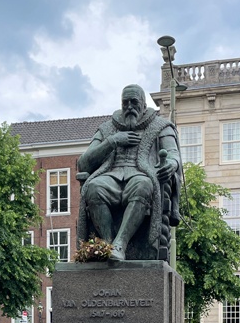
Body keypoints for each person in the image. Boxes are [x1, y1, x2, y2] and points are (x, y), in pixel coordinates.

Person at [76, 84, 181, 261]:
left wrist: (170, 164)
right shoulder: (107, 129)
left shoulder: (161, 126)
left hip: (141, 174)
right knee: (93, 188)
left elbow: (173, 154)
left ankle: (120, 244)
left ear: (144, 104)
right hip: (111, 176)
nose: (130, 107)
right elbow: (84, 163)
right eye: (126, 103)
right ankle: (108, 246)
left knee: (143, 185)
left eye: (134, 102)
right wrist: (112, 141)